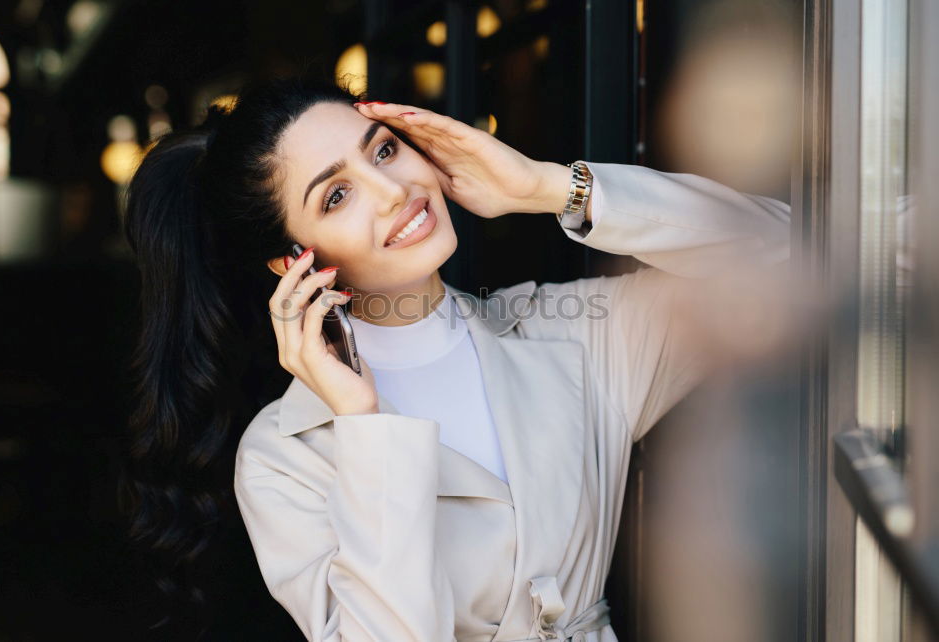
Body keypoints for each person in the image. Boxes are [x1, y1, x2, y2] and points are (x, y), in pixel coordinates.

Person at [122, 76, 790, 641]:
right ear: (295, 261)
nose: (391, 191)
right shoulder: (284, 455)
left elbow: (796, 259)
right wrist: (363, 422)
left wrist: (550, 188)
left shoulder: (574, 337)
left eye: (383, 150)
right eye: (336, 195)